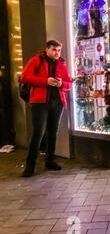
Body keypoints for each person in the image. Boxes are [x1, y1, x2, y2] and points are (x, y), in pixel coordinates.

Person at [21, 40, 73, 177]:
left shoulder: (61, 64)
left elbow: (69, 84)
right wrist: (45, 81)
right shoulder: (36, 60)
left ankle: (49, 161)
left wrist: (61, 84)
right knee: (38, 133)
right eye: (54, 50)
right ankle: (29, 166)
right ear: (47, 50)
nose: (57, 53)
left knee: (52, 132)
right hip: (39, 103)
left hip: (57, 103)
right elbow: (24, 77)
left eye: (59, 50)